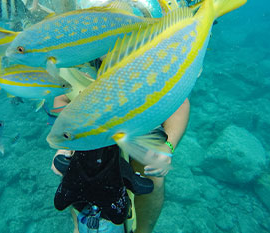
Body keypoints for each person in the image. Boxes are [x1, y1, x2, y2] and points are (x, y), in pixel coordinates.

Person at [49, 66, 190, 233]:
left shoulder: (143, 60)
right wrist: (67, 143)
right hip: (91, 133)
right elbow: (61, 98)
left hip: (134, 128)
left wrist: (168, 146)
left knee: (151, 171)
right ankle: (77, 228)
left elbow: (180, 102)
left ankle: (143, 231)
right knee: (73, 169)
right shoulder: (77, 61)